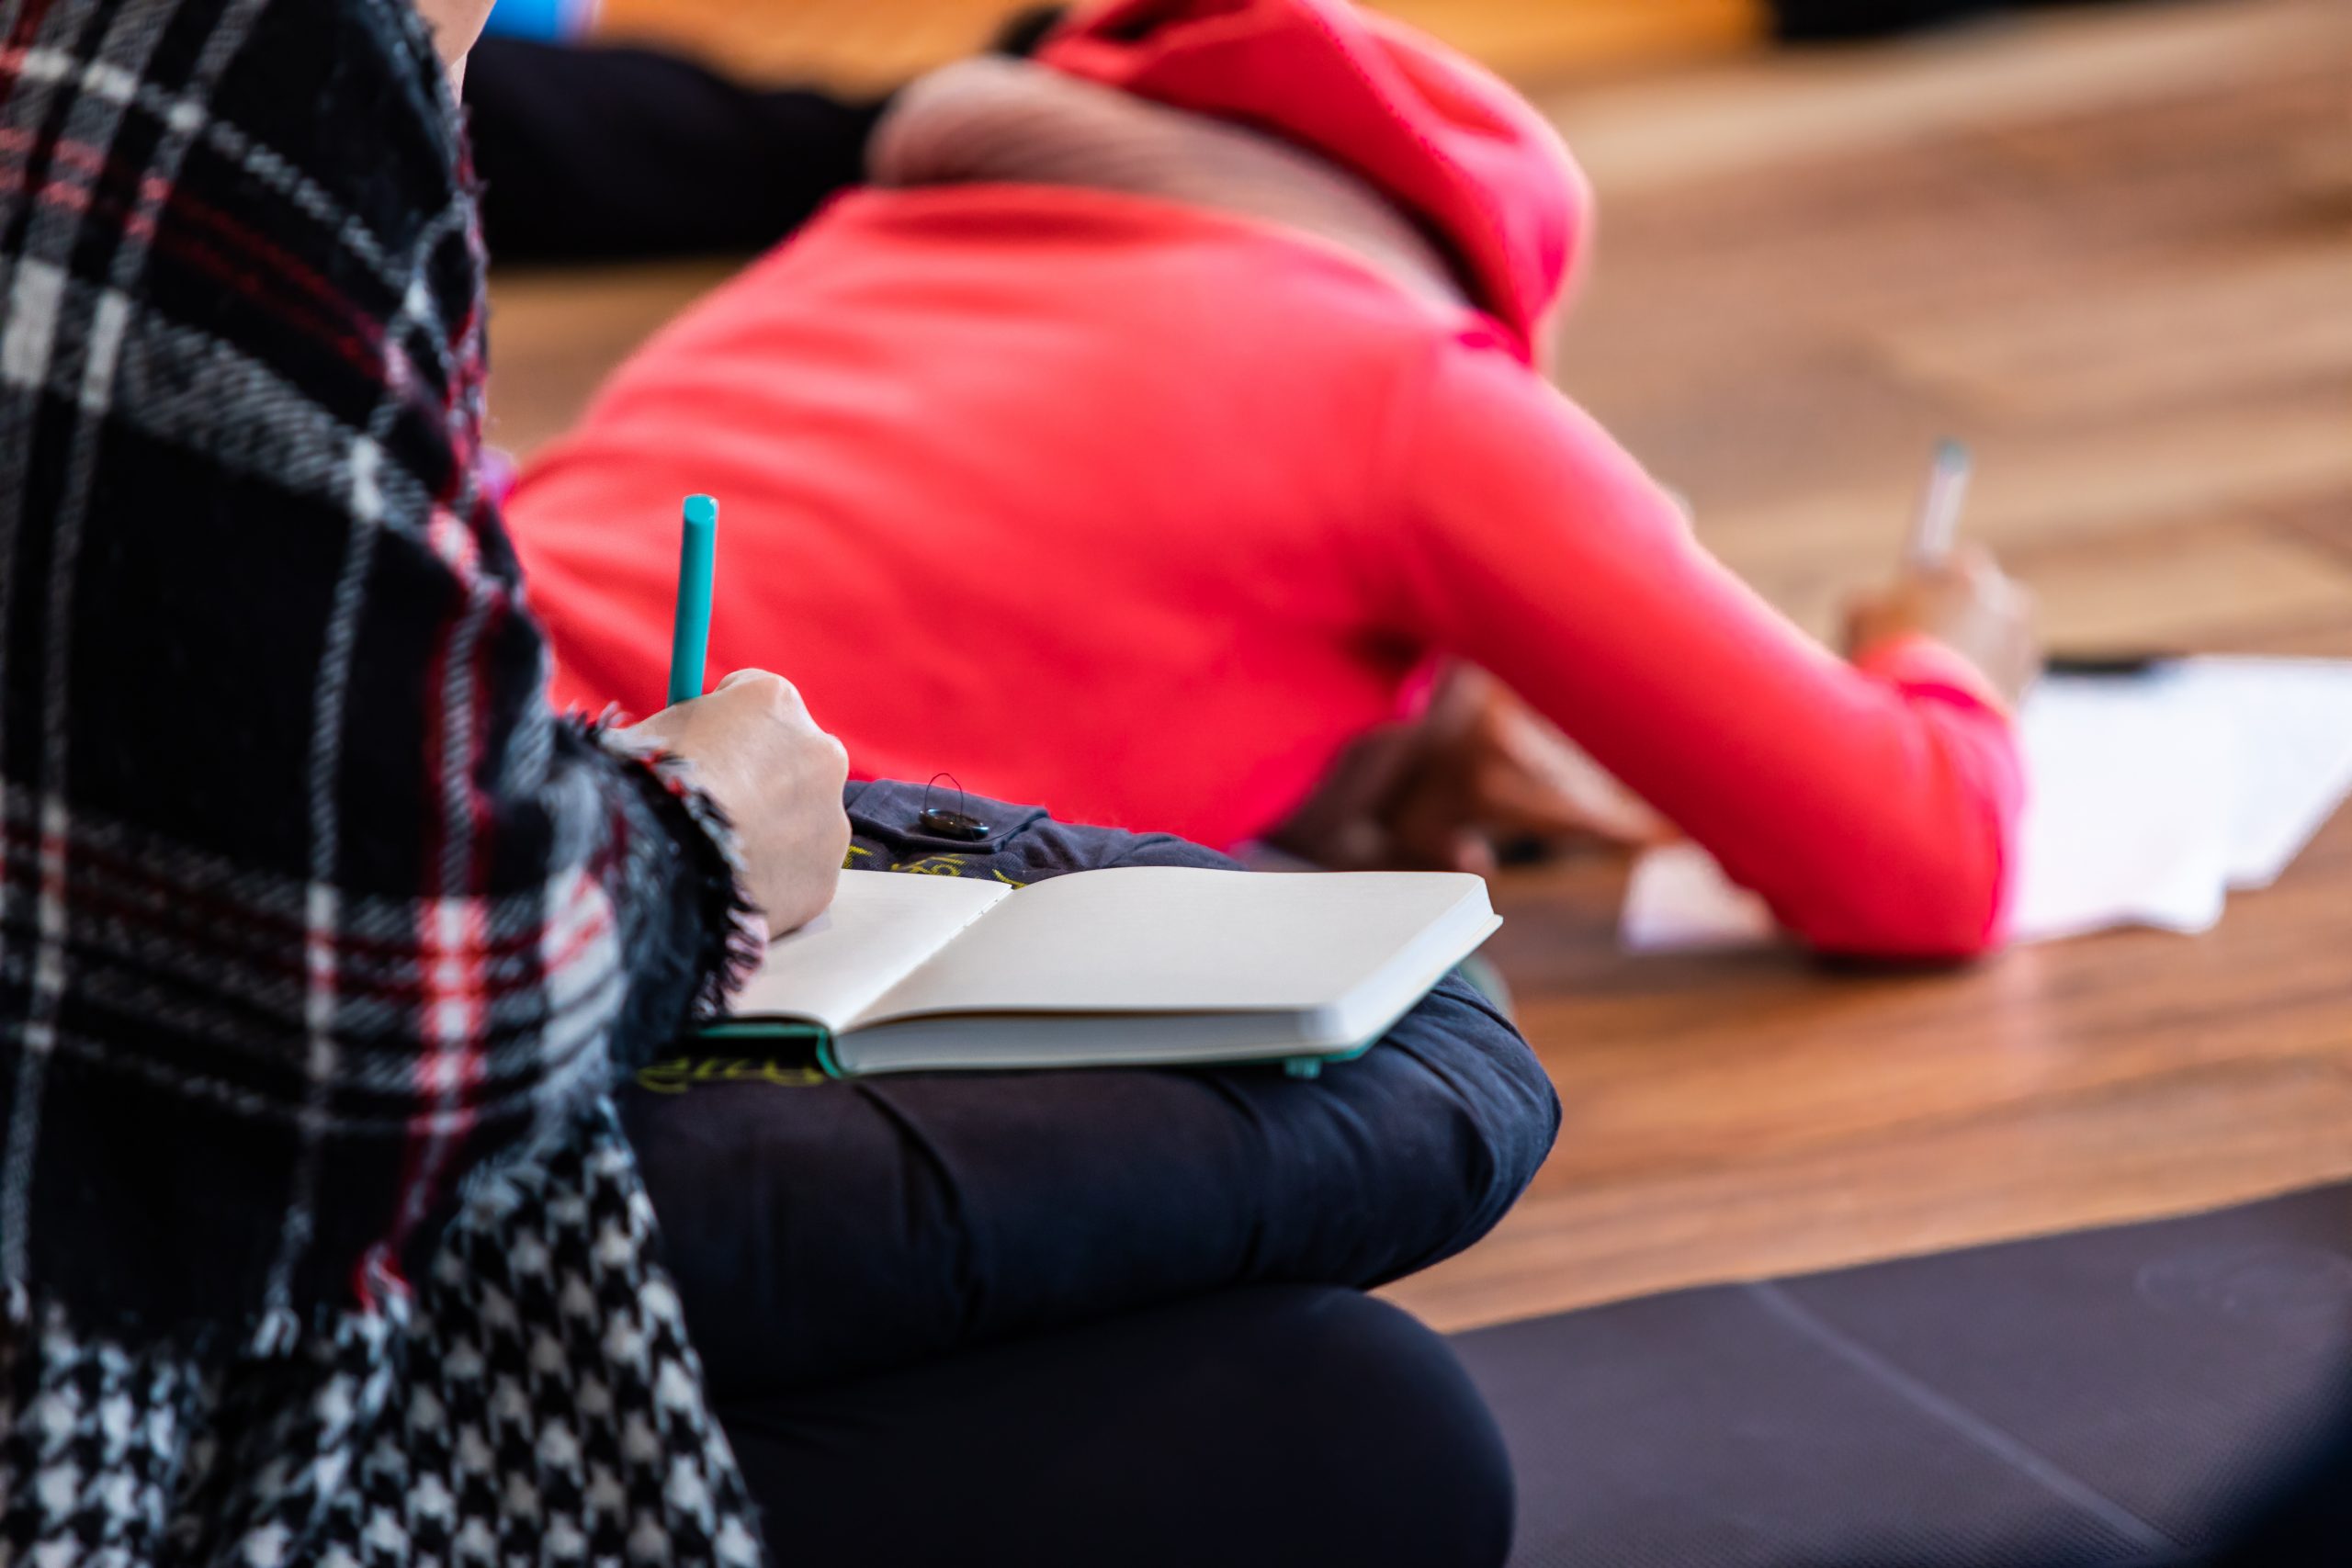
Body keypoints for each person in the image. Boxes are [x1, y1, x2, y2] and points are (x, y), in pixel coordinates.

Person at [0, 3, 1544, 1562]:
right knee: (1385, 1243)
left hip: (195, 1178)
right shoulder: (255, 66)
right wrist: (700, 832)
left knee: (1340, 1387)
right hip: (138, 1376)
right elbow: (397, 999)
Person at [504, 0, 2040, 962]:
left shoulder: (843, 258)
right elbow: (1917, 863)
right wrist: (1941, 659)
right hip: (627, 923)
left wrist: (1336, 768)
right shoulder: (1408, 381)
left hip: (412, 761)